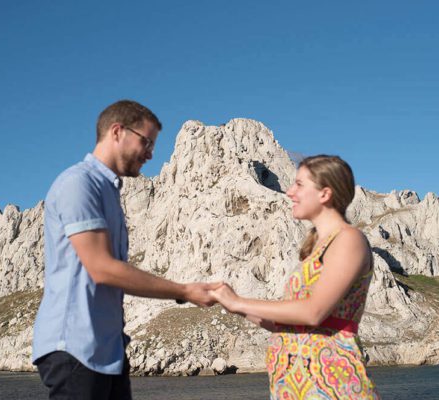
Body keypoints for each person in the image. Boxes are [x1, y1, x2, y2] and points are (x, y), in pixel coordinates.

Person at [32, 100, 221, 400]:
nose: (150, 153)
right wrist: (184, 291)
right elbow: (102, 267)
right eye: (146, 142)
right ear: (117, 132)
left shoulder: (109, 192)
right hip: (75, 349)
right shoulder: (79, 184)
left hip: (108, 351)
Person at [211, 155, 380, 399]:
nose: (290, 192)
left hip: (332, 384)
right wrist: (232, 304)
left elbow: (313, 312)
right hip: (296, 387)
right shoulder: (313, 253)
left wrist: (238, 302)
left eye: (299, 184)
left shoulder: (348, 239)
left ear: (325, 194)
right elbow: (288, 324)